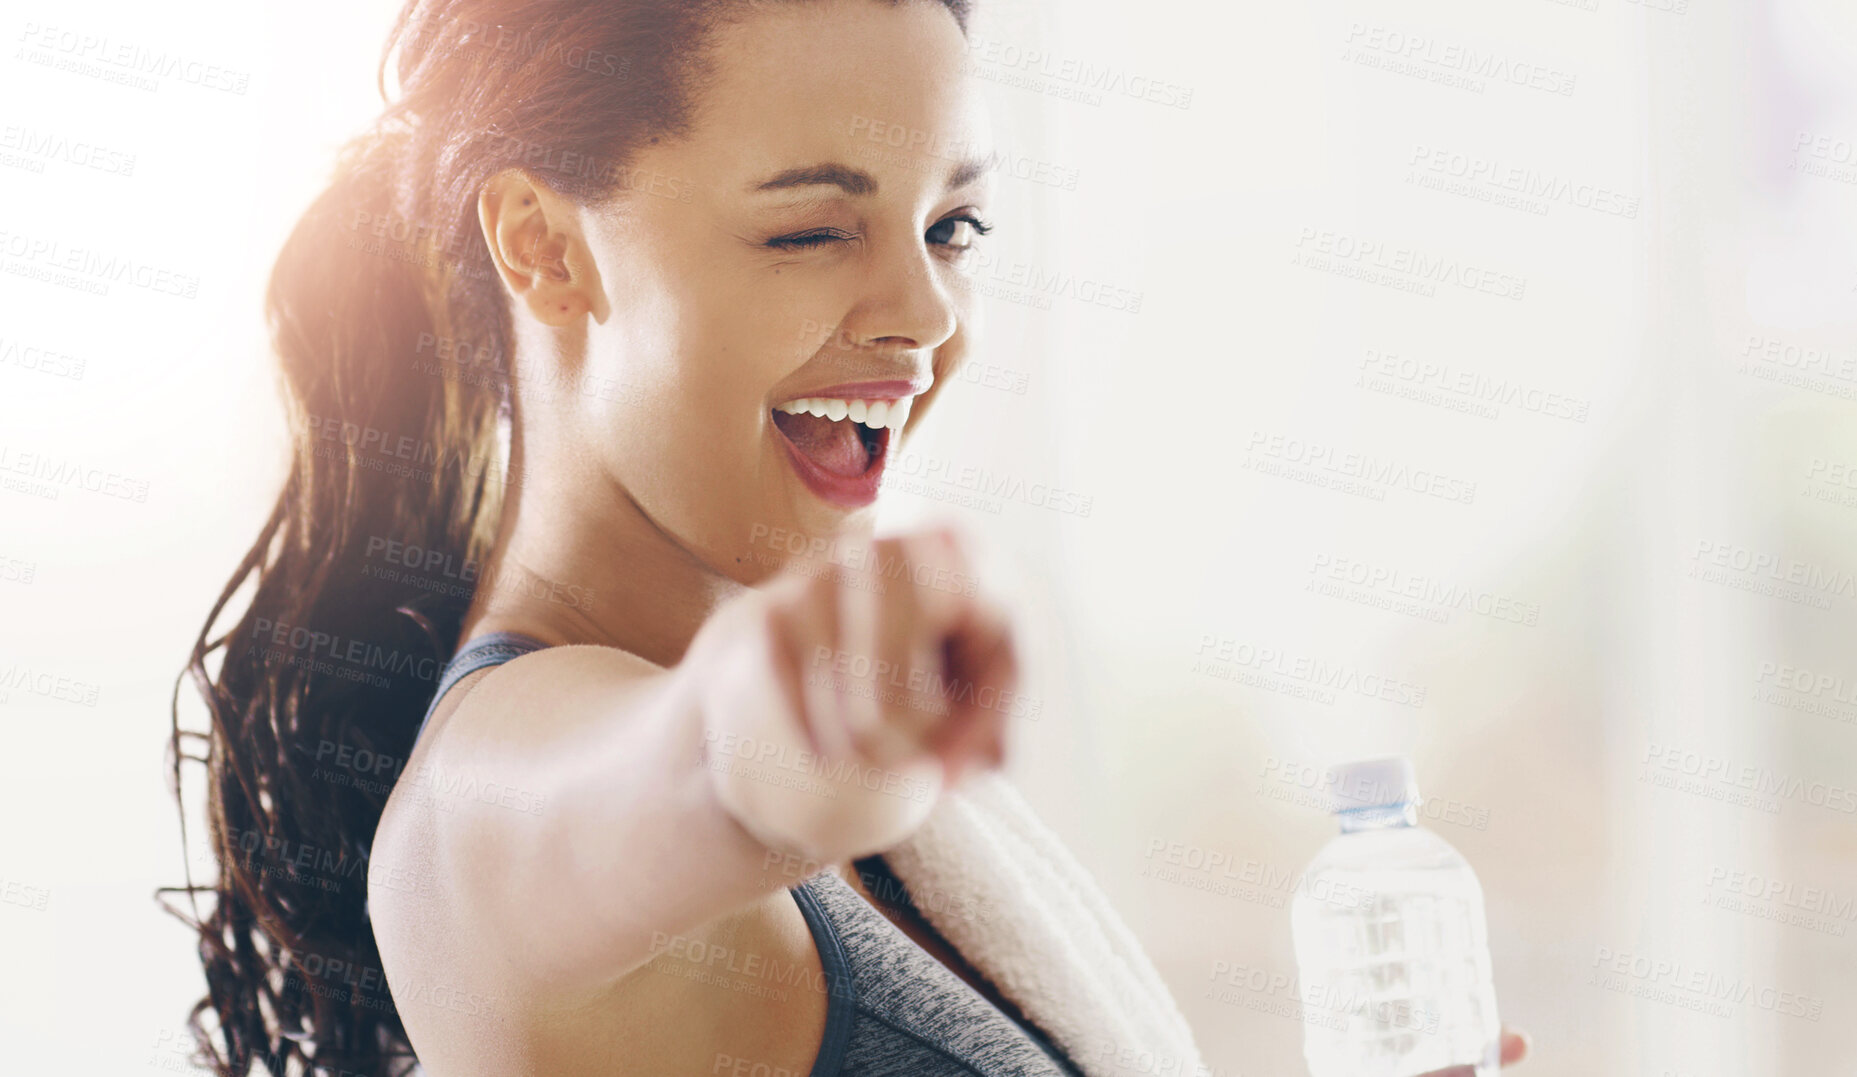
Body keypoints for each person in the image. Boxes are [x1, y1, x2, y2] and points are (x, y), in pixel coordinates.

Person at [169, 1, 1532, 1074]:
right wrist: (788, 725)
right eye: (810, 229)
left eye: (952, 227)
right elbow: (690, 764)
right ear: (542, 245)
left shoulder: (887, 831)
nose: (928, 311)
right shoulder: (491, 802)